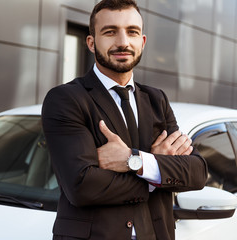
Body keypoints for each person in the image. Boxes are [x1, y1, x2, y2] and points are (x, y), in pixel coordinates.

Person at [41, 0, 208, 239]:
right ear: (91, 42)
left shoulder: (156, 99)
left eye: (132, 32)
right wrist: (156, 171)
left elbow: (197, 172)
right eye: (110, 32)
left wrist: (135, 161)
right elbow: (82, 186)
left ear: (142, 41)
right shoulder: (66, 99)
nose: (122, 42)